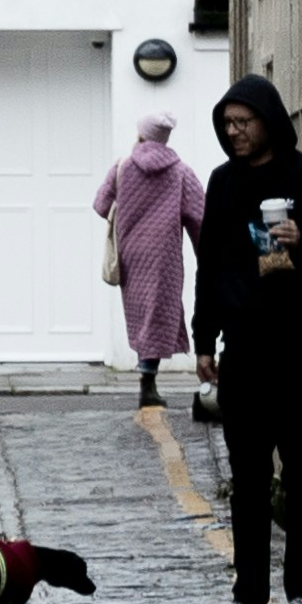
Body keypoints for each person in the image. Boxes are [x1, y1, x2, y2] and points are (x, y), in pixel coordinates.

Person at [188, 74, 302, 604]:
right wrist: (203, 338)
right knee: (248, 480)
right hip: (245, 351)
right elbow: (210, 263)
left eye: (244, 123)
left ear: (270, 121)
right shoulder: (222, 183)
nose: (234, 133)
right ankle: (248, 597)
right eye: (227, 124)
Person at [92, 109, 208, 405]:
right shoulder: (181, 171)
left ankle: (147, 381)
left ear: (141, 134)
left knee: (141, 313)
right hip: (164, 256)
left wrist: (127, 208)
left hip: (131, 254)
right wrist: (204, 252)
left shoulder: (122, 166)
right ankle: (148, 382)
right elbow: (199, 216)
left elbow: (100, 204)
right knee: (159, 313)